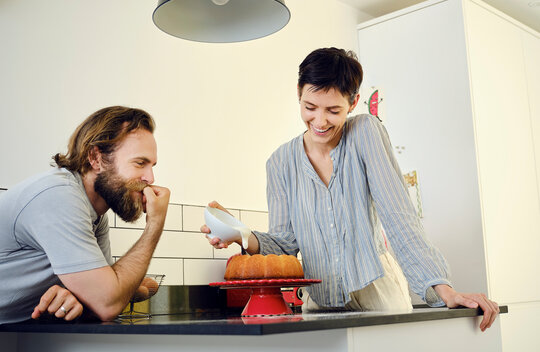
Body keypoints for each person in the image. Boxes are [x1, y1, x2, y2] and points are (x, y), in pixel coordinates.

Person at [202, 47, 499, 331]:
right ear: (298, 93)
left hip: (378, 295)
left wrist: (443, 290)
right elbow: (284, 245)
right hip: (319, 304)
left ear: (353, 103)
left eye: (333, 110)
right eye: (310, 107)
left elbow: (399, 218)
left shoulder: (365, 132)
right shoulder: (279, 163)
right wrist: (240, 233)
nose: (319, 121)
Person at [0, 106, 170, 324]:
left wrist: (80, 297)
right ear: (96, 158)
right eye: (140, 163)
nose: (150, 177)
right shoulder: (58, 196)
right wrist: (155, 223)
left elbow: (107, 294)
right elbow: (108, 302)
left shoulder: (95, 215)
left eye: (152, 166)